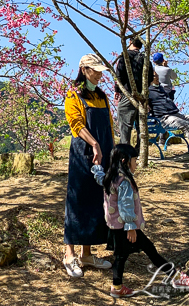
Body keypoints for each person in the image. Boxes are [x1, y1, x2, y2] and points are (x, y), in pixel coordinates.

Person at [92, 144, 189, 297]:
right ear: (125, 161)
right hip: (126, 227)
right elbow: (125, 205)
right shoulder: (124, 182)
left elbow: (99, 178)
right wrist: (130, 227)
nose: (136, 164)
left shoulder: (110, 177)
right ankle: (175, 277)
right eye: (134, 160)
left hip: (115, 226)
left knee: (121, 257)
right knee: (150, 250)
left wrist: (97, 168)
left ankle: (117, 287)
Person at [63, 54, 114, 278]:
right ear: (83, 70)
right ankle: (69, 254)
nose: (100, 74)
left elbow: (110, 126)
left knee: (96, 202)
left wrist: (113, 152)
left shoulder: (102, 96)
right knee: (78, 201)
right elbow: (76, 123)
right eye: (95, 70)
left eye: (101, 70)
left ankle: (86, 254)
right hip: (83, 155)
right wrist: (94, 144)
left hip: (104, 155)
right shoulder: (73, 95)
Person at [114, 36, 154, 151]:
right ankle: (139, 150)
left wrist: (117, 90)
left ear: (130, 42)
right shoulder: (146, 59)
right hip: (142, 96)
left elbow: (119, 75)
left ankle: (124, 151)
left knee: (125, 125)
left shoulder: (125, 57)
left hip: (129, 94)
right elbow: (150, 77)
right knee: (141, 126)